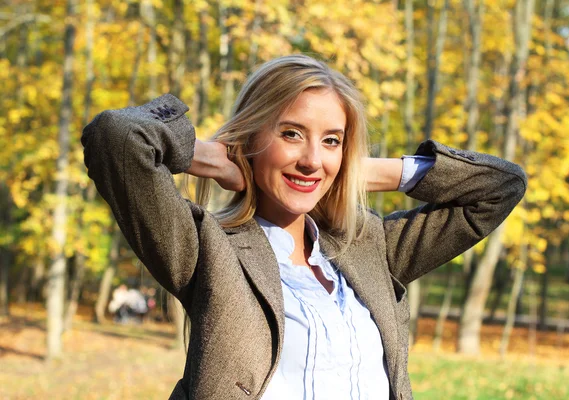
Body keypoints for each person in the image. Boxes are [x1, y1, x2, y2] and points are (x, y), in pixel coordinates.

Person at [82, 55, 526, 400]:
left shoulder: (371, 248)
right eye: (292, 134)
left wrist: (357, 170)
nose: (313, 159)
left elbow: (501, 186)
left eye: (331, 140)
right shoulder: (206, 250)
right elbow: (116, 138)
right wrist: (216, 155)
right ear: (252, 137)